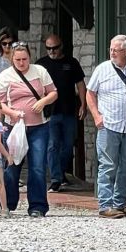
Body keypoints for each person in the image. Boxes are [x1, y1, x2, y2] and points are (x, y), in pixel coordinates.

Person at [0, 42, 58, 217]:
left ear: (30, 57)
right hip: (13, 127)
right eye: (18, 60)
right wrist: (11, 113)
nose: (22, 63)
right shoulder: (5, 76)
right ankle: (8, 203)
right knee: (12, 166)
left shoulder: (40, 71)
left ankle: (37, 206)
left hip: (39, 127)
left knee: (37, 166)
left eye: (25, 59)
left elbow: (53, 92)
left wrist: (43, 101)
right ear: (12, 59)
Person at [86, 35, 126, 218]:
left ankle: (120, 203)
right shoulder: (102, 69)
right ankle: (105, 206)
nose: (112, 53)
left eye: (116, 50)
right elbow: (90, 93)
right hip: (108, 125)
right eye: (111, 49)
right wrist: (96, 116)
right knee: (108, 166)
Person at [36, 34, 87, 192]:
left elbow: (80, 84)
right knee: (52, 145)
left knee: (68, 145)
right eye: (48, 48)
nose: (52, 51)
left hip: (69, 110)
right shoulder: (41, 64)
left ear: (61, 46)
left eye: (55, 48)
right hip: (49, 112)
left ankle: (61, 172)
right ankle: (56, 179)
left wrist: (83, 104)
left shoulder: (71, 62)